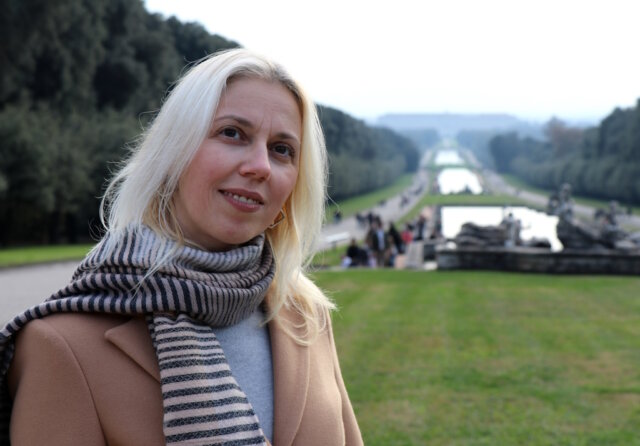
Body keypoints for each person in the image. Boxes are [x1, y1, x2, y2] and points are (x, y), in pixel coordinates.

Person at [0, 49, 363, 445]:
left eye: (281, 149)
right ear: (175, 150)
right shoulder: (59, 345)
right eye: (232, 133)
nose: (260, 165)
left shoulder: (306, 317)